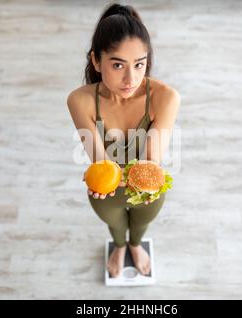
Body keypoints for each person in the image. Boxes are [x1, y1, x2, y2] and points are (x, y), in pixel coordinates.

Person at [67, 3, 180, 278]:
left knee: (142, 221)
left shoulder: (166, 97)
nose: (131, 79)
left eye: (139, 64)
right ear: (96, 61)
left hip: (147, 188)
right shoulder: (79, 100)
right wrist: (103, 177)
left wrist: (134, 178)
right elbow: (100, 159)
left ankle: (135, 244)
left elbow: (151, 160)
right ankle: (119, 245)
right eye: (118, 65)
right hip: (107, 190)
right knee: (114, 221)